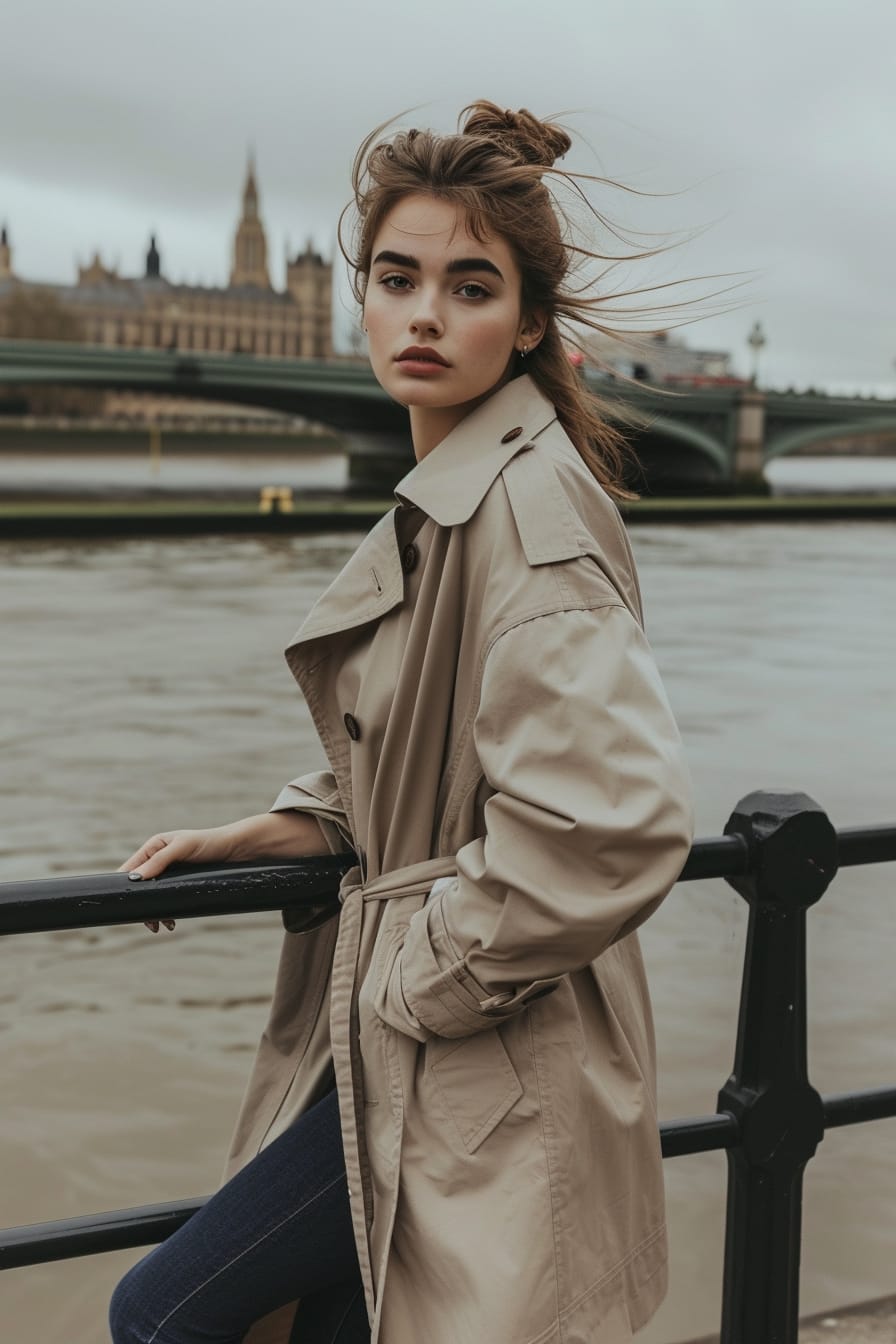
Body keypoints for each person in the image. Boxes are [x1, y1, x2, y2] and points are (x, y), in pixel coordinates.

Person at [109, 101, 694, 1344]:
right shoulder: (456, 496)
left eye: (468, 285)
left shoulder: (524, 518)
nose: (423, 314)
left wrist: (408, 987)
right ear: (359, 298)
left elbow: (612, 826)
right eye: (396, 277)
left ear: (528, 321)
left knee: (161, 1313)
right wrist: (286, 824)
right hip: (433, 1045)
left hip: (461, 1047)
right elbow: (435, 748)